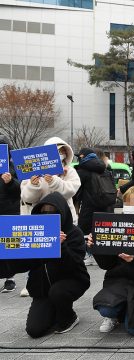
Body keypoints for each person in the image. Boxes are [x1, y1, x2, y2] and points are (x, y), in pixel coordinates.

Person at [0, 192, 90, 338]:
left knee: (58, 293)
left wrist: (60, 246)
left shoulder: (74, 233)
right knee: (34, 330)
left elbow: (72, 265)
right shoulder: (36, 233)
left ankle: (69, 317)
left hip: (71, 281)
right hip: (42, 288)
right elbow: (21, 264)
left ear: (62, 212)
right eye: (44, 212)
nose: (48, 215)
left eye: (53, 212)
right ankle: (53, 310)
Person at [87, 186, 134, 335]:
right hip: (119, 279)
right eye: (128, 203)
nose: (131, 207)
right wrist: (96, 246)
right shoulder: (114, 224)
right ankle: (118, 313)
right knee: (105, 307)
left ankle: (129, 311)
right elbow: (106, 265)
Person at [19, 137, 81, 297]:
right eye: (57, 151)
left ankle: (64, 283)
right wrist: (33, 185)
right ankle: (33, 281)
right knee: (38, 251)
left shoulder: (69, 171)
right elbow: (27, 197)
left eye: (62, 152)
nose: (60, 155)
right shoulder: (32, 171)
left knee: (64, 251)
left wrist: (55, 181)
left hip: (64, 218)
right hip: (40, 218)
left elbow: (71, 190)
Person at [74, 148, 116, 266]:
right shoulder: (105, 169)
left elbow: (76, 192)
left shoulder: (82, 171)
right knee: (102, 231)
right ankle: (102, 255)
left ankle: (89, 255)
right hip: (107, 206)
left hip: (89, 207)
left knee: (85, 231)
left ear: (83, 157)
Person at [0, 135, 21, 293]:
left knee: (9, 245)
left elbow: (21, 191)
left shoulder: (15, 166)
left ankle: (10, 277)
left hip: (9, 211)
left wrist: (10, 182)